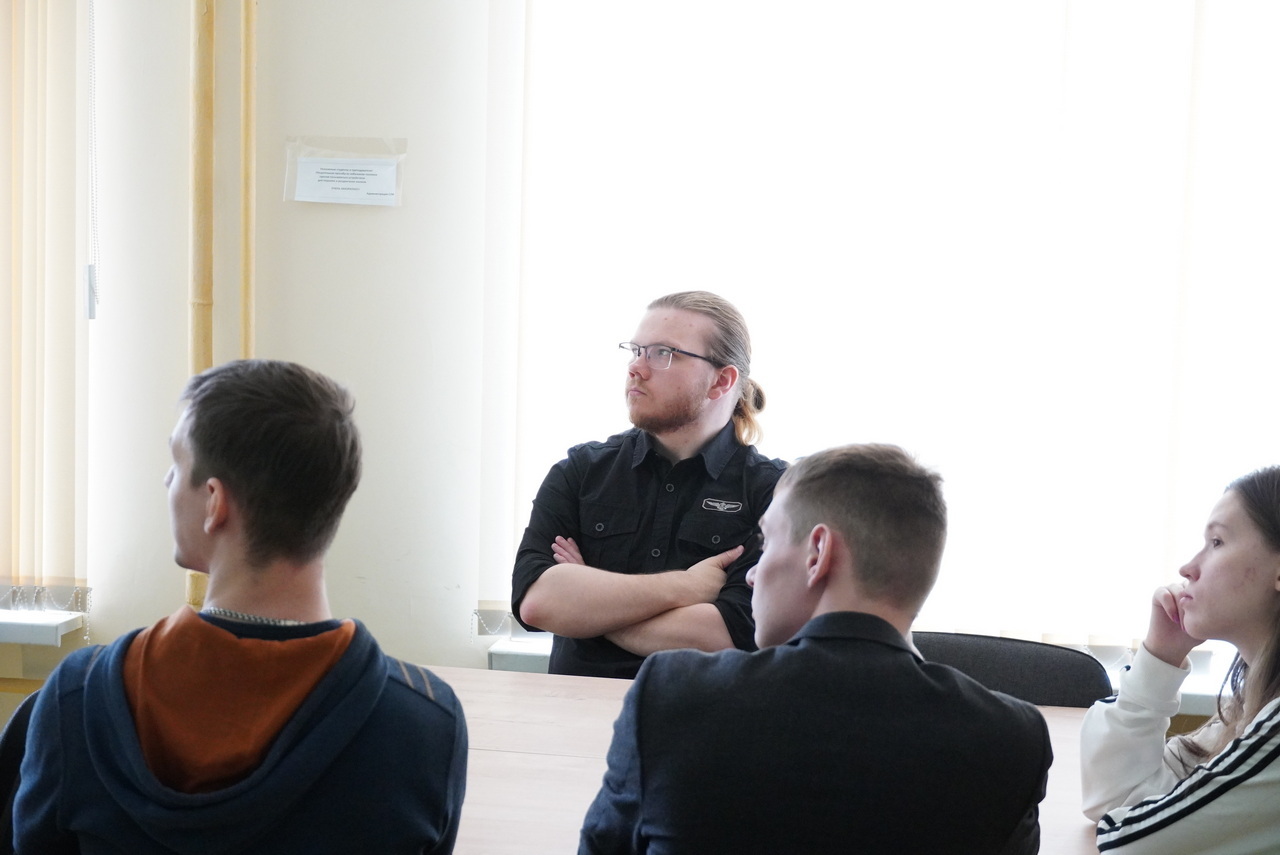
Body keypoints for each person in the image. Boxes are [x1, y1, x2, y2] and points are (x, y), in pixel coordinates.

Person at [14, 360, 468, 854]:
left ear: (215, 502)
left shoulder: (77, 701)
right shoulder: (426, 726)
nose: (166, 480)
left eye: (177, 463)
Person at [579, 444, 1053, 854]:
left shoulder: (674, 698)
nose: (752, 573)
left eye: (765, 541)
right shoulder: (1011, 740)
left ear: (817, 553)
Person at [512, 291, 786, 678]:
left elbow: (728, 633)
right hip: (576, 710)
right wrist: (686, 587)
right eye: (636, 351)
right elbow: (538, 603)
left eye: (663, 353)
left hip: (704, 712)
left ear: (721, 381)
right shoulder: (581, 471)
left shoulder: (775, 494)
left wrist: (588, 609)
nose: (636, 368)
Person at [1081, 466, 1280, 853]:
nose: (1188, 568)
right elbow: (1115, 799)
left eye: (1217, 542)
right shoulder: (1250, 705)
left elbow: (1130, 844)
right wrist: (1160, 656)